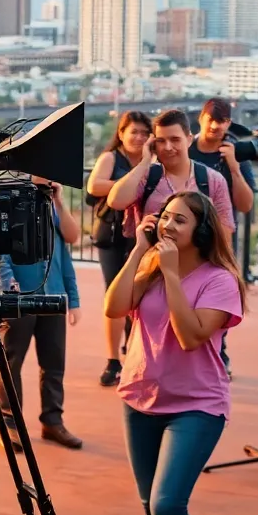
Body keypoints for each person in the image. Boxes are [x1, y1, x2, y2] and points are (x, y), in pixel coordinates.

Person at [104, 191, 248, 515]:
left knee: (166, 505)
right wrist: (139, 252)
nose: (167, 224)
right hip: (139, 399)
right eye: (165, 216)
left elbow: (190, 337)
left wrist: (171, 274)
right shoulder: (151, 267)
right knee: (149, 503)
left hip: (195, 406)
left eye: (180, 220)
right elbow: (114, 307)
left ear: (202, 231)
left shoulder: (220, 280)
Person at [0, 177, 84, 450]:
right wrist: (9, 286)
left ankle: (53, 421)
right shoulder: (10, 201)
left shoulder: (52, 204)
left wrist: (73, 299)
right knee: (11, 363)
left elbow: (68, 245)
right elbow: (0, 253)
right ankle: (10, 424)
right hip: (19, 300)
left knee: (54, 363)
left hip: (53, 297)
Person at [189, 97, 258, 376]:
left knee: (217, 298)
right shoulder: (186, 148)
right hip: (185, 238)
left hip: (221, 240)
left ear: (229, 123)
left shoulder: (234, 153)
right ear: (201, 119)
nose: (216, 126)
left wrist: (234, 167)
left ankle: (219, 352)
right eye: (211, 119)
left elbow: (246, 204)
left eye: (223, 121)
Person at [106, 108, 236, 252]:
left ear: (189, 139)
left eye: (175, 140)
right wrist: (144, 162)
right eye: (161, 141)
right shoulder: (148, 176)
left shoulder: (212, 180)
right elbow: (115, 201)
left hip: (196, 263)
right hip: (151, 261)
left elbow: (225, 234)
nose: (168, 147)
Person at [87, 110, 151, 387]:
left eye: (145, 133)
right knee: (114, 294)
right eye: (133, 131)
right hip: (112, 237)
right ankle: (113, 360)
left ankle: (136, 352)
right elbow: (94, 186)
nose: (139, 137)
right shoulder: (111, 158)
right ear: (121, 133)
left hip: (142, 237)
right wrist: (131, 184)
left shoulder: (155, 160)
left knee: (142, 296)